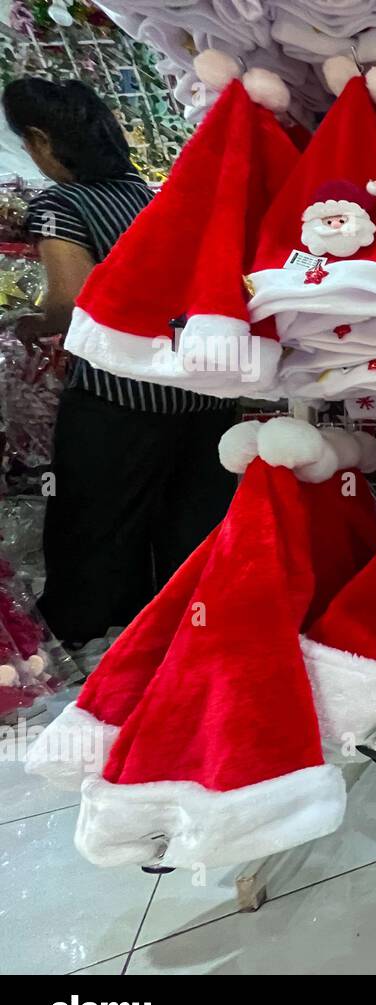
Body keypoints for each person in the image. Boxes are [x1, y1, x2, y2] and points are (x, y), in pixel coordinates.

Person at [3, 78, 237, 646]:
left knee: (96, 527)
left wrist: (21, 322)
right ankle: (188, 639)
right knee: (191, 528)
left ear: (40, 140)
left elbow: (71, 302)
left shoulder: (62, 203)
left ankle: (93, 645)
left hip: (119, 393)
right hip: (199, 387)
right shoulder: (159, 197)